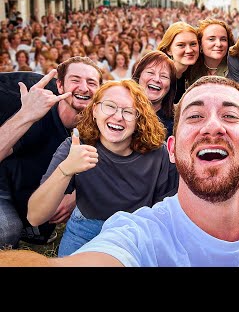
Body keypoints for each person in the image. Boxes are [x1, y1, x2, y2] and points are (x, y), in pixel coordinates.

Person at [0, 75, 239, 266]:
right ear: (173, 150)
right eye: (194, 116)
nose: (212, 126)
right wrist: (67, 173)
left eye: (231, 116)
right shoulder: (139, 237)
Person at [27, 80, 179, 256]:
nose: (118, 116)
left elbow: (166, 216)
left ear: (139, 119)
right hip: (85, 228)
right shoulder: (75, 148)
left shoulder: (159, 155)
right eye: (109, 106)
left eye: (128, 111)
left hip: (136, 229)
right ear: (94, 111)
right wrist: (65, 170)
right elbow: (34, 216)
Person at [0, 56, 103, 248]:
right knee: (6, 230)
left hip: (36, 198)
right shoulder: (33, 105)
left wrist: (76, 196)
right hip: (5, 188)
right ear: (60, 86)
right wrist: (26, 115)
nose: (84, 87)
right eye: (75, 80)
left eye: (91, 82)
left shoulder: (101, 124)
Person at [131, 50, 177, 138]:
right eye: (150, 72)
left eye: (164, 76)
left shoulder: (177, 122)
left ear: (170, 85)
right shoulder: (120, 111)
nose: (156, 79)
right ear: (138, 76)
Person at [157, 21, 199, 103]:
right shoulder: (159, 79)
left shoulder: (190, 75)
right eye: (181, 45)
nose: (189, 50)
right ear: (168, 50)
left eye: (193, 44)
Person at [186, 18, 235, 86]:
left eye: (223, 39)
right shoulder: (189, 68)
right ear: (200, 44)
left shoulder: (236, 67)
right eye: (211, 39)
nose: (219, 44)